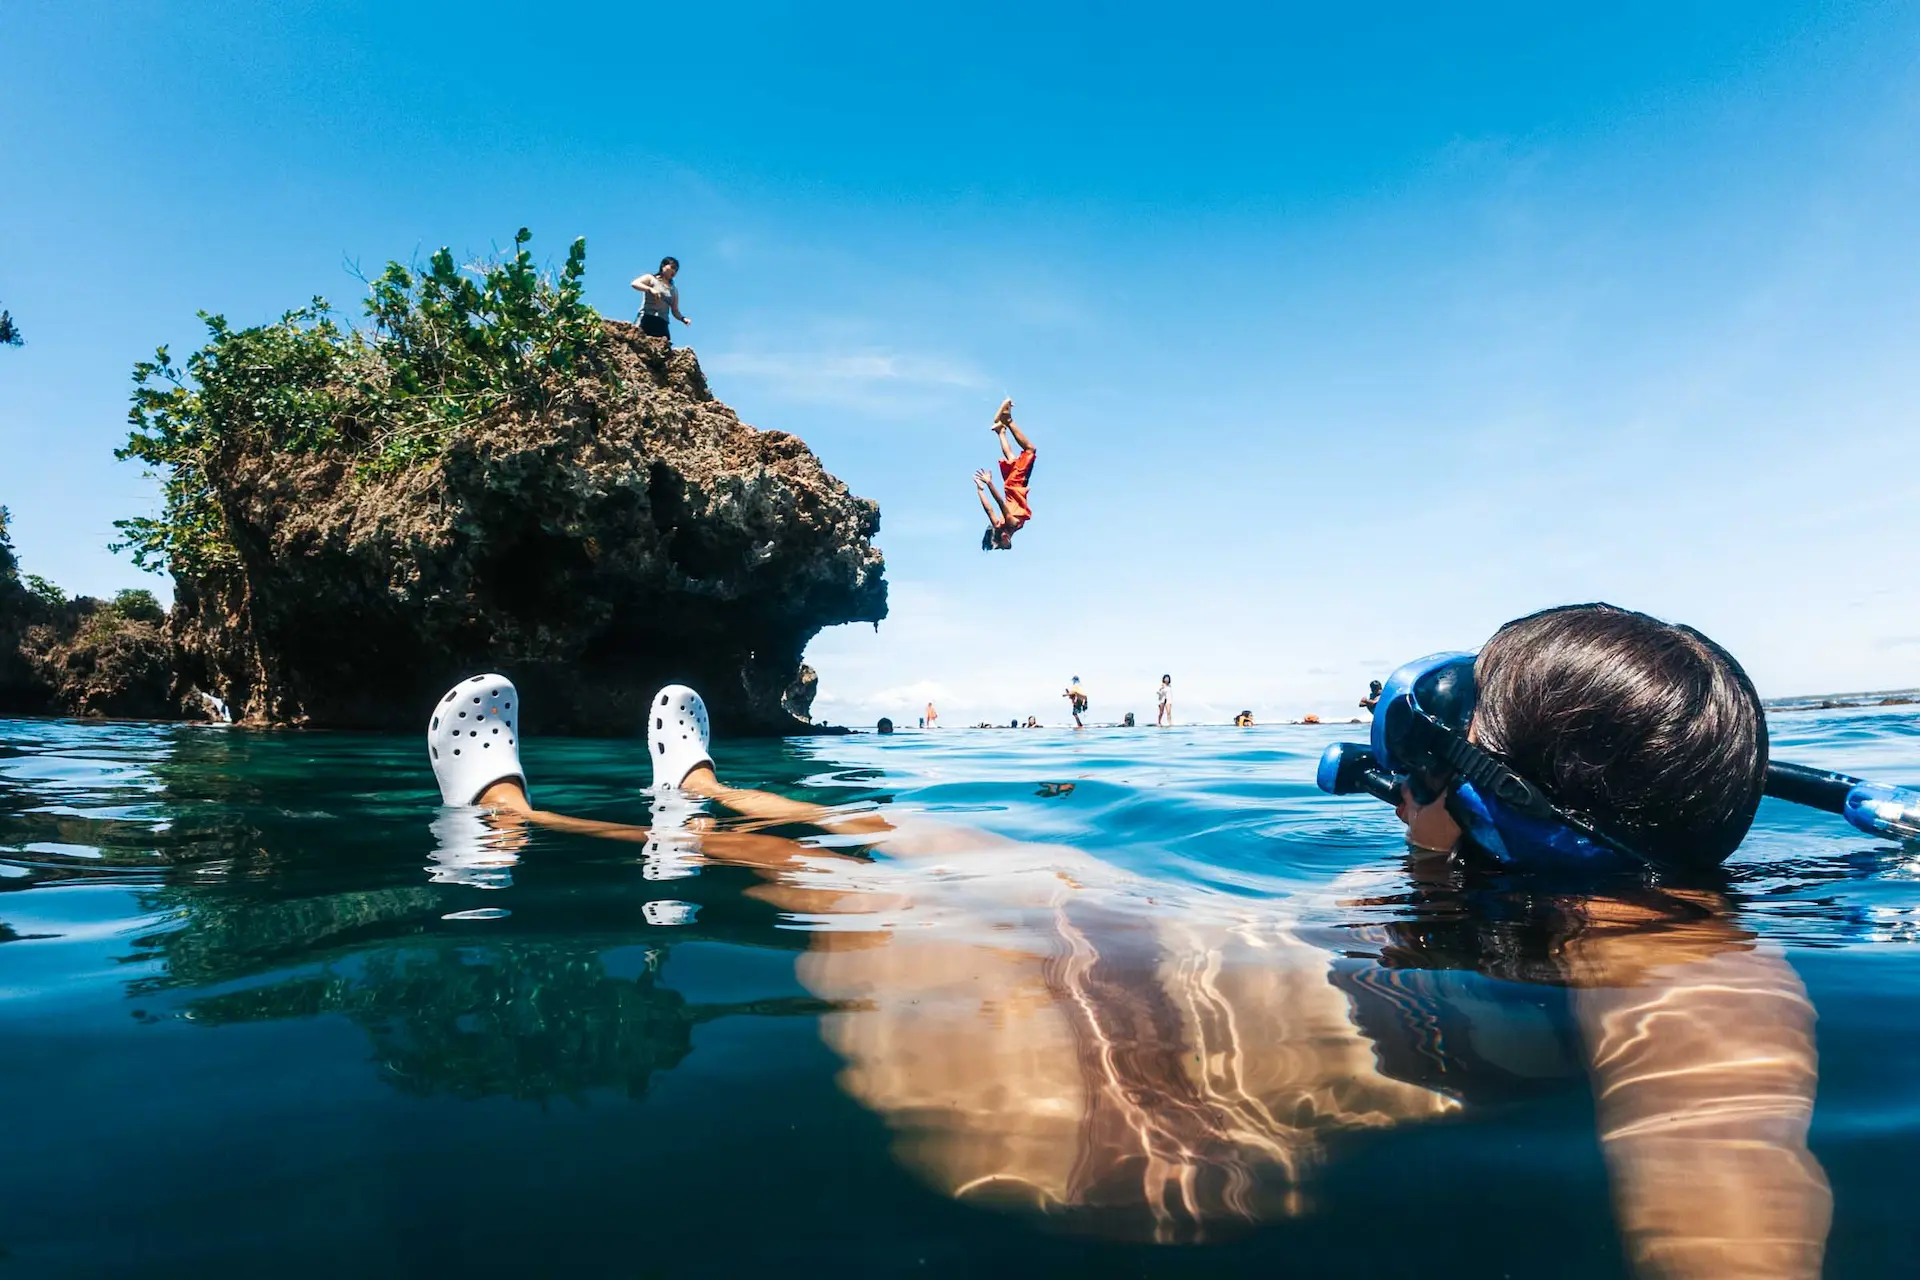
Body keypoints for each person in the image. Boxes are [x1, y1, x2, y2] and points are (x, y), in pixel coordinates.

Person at [975, 399, 1037, 551]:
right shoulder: (999, 525)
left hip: (1016, 484)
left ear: (1003, 537)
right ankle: (1000, 431)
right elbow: (989, 510)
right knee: (1011, 457)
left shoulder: (1011, 524)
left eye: (1001, 546)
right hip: (1011, 487)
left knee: (1030, 450)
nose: (1003, 548)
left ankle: (1007, 419)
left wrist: (989, 484)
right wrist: (980, 490)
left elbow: (1000, 503)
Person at [630, 257, 689, 342]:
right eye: (672, 267)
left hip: (662, 322)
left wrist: (683, 319)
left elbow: (675, 310)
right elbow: (634, 283)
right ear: (663, 266)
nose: (674, 271)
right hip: (646, 317)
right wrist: (649, 289)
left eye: (676, 270)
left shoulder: (673, 290)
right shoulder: (651, 278)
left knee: (664, 346)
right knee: (636, 341)